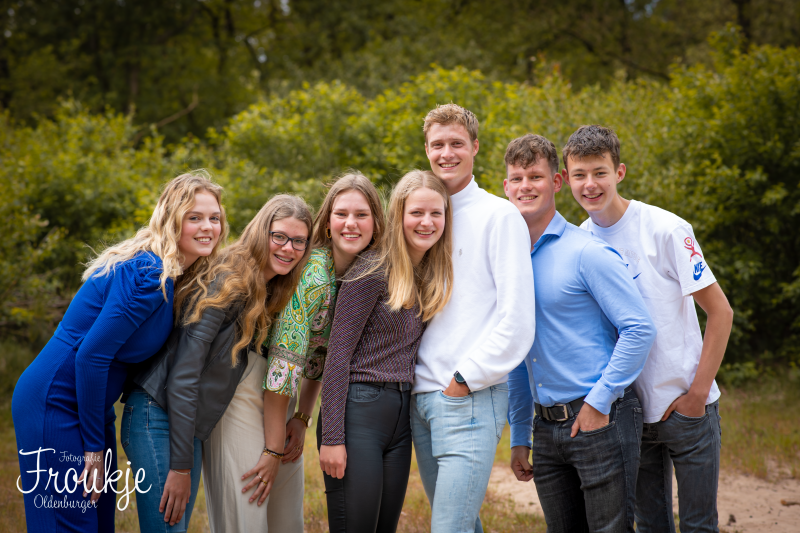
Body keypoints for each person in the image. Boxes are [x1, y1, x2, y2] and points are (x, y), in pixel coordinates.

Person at [12, 171, 225, 533]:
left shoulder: (173, 274)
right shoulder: (148, 273)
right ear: (172, 220)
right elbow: (90, 356)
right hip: (56, 402)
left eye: (215, 218)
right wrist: (94, 448)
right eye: (195, 217)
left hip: (92, 407)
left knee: (99, 520)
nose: (208, 227)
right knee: (71, 520)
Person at [562, 125, 734, 533]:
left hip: (686, 410)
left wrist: (696, 395)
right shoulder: (579, 243)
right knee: (651, 527)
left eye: (599, 172)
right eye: (579, 174)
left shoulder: (667, 229)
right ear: (565, 179)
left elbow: (721, 312)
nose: (590, 184)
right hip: (628, 414)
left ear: (619, 172)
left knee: (699, 527)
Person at [202, 172, 385, 532]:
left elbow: (319, 358)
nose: (351, 224)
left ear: (377, 224)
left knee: (287, 518)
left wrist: (301, 418)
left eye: (361, 215)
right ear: (328, 224)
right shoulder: (314, 275)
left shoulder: (359, 277)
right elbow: (283, 366)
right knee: (250, 506)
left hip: (283, 397)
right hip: (250, 384)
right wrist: (272, 450)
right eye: (341, 215)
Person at [124, 194, 312, 532]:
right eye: (279, 237)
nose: (288, 248)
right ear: (260, 233)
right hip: (157, 412)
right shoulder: (228, 280)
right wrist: (180, 468)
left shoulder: (270, 289)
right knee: (167, 525)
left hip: (187, 422)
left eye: (299, 241)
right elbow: (184, 374)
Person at [503, 134, 656, 533]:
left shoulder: (586, 252)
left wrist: (599, 402)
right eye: (516, 179)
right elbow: (518, 351)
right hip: (545, 428)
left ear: (556, 182)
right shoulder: (509, 261)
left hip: (600, 418)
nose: (525, 187)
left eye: (535, 177)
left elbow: (639, 328)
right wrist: (521, 433)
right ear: (506, 188)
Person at [410, 104, 536, 533]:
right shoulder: (422, 218)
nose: (447, 153)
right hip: (420, 398)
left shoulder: (499, 216)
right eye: (437, 145)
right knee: (462, 524)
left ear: (475, 148)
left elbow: (518, 319)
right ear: (426, 150)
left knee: (449, 528)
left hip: (468, 397)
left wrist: (463, 380)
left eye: (456, 144)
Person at [319, 170, 454, 533]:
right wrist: (332, 437)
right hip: (359, 412)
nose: (426, 223)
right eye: (416, 214)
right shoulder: (372, 269)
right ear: (398, 215)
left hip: (401, 415)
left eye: (435, 214)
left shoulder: (424, 272)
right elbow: (338, 356)